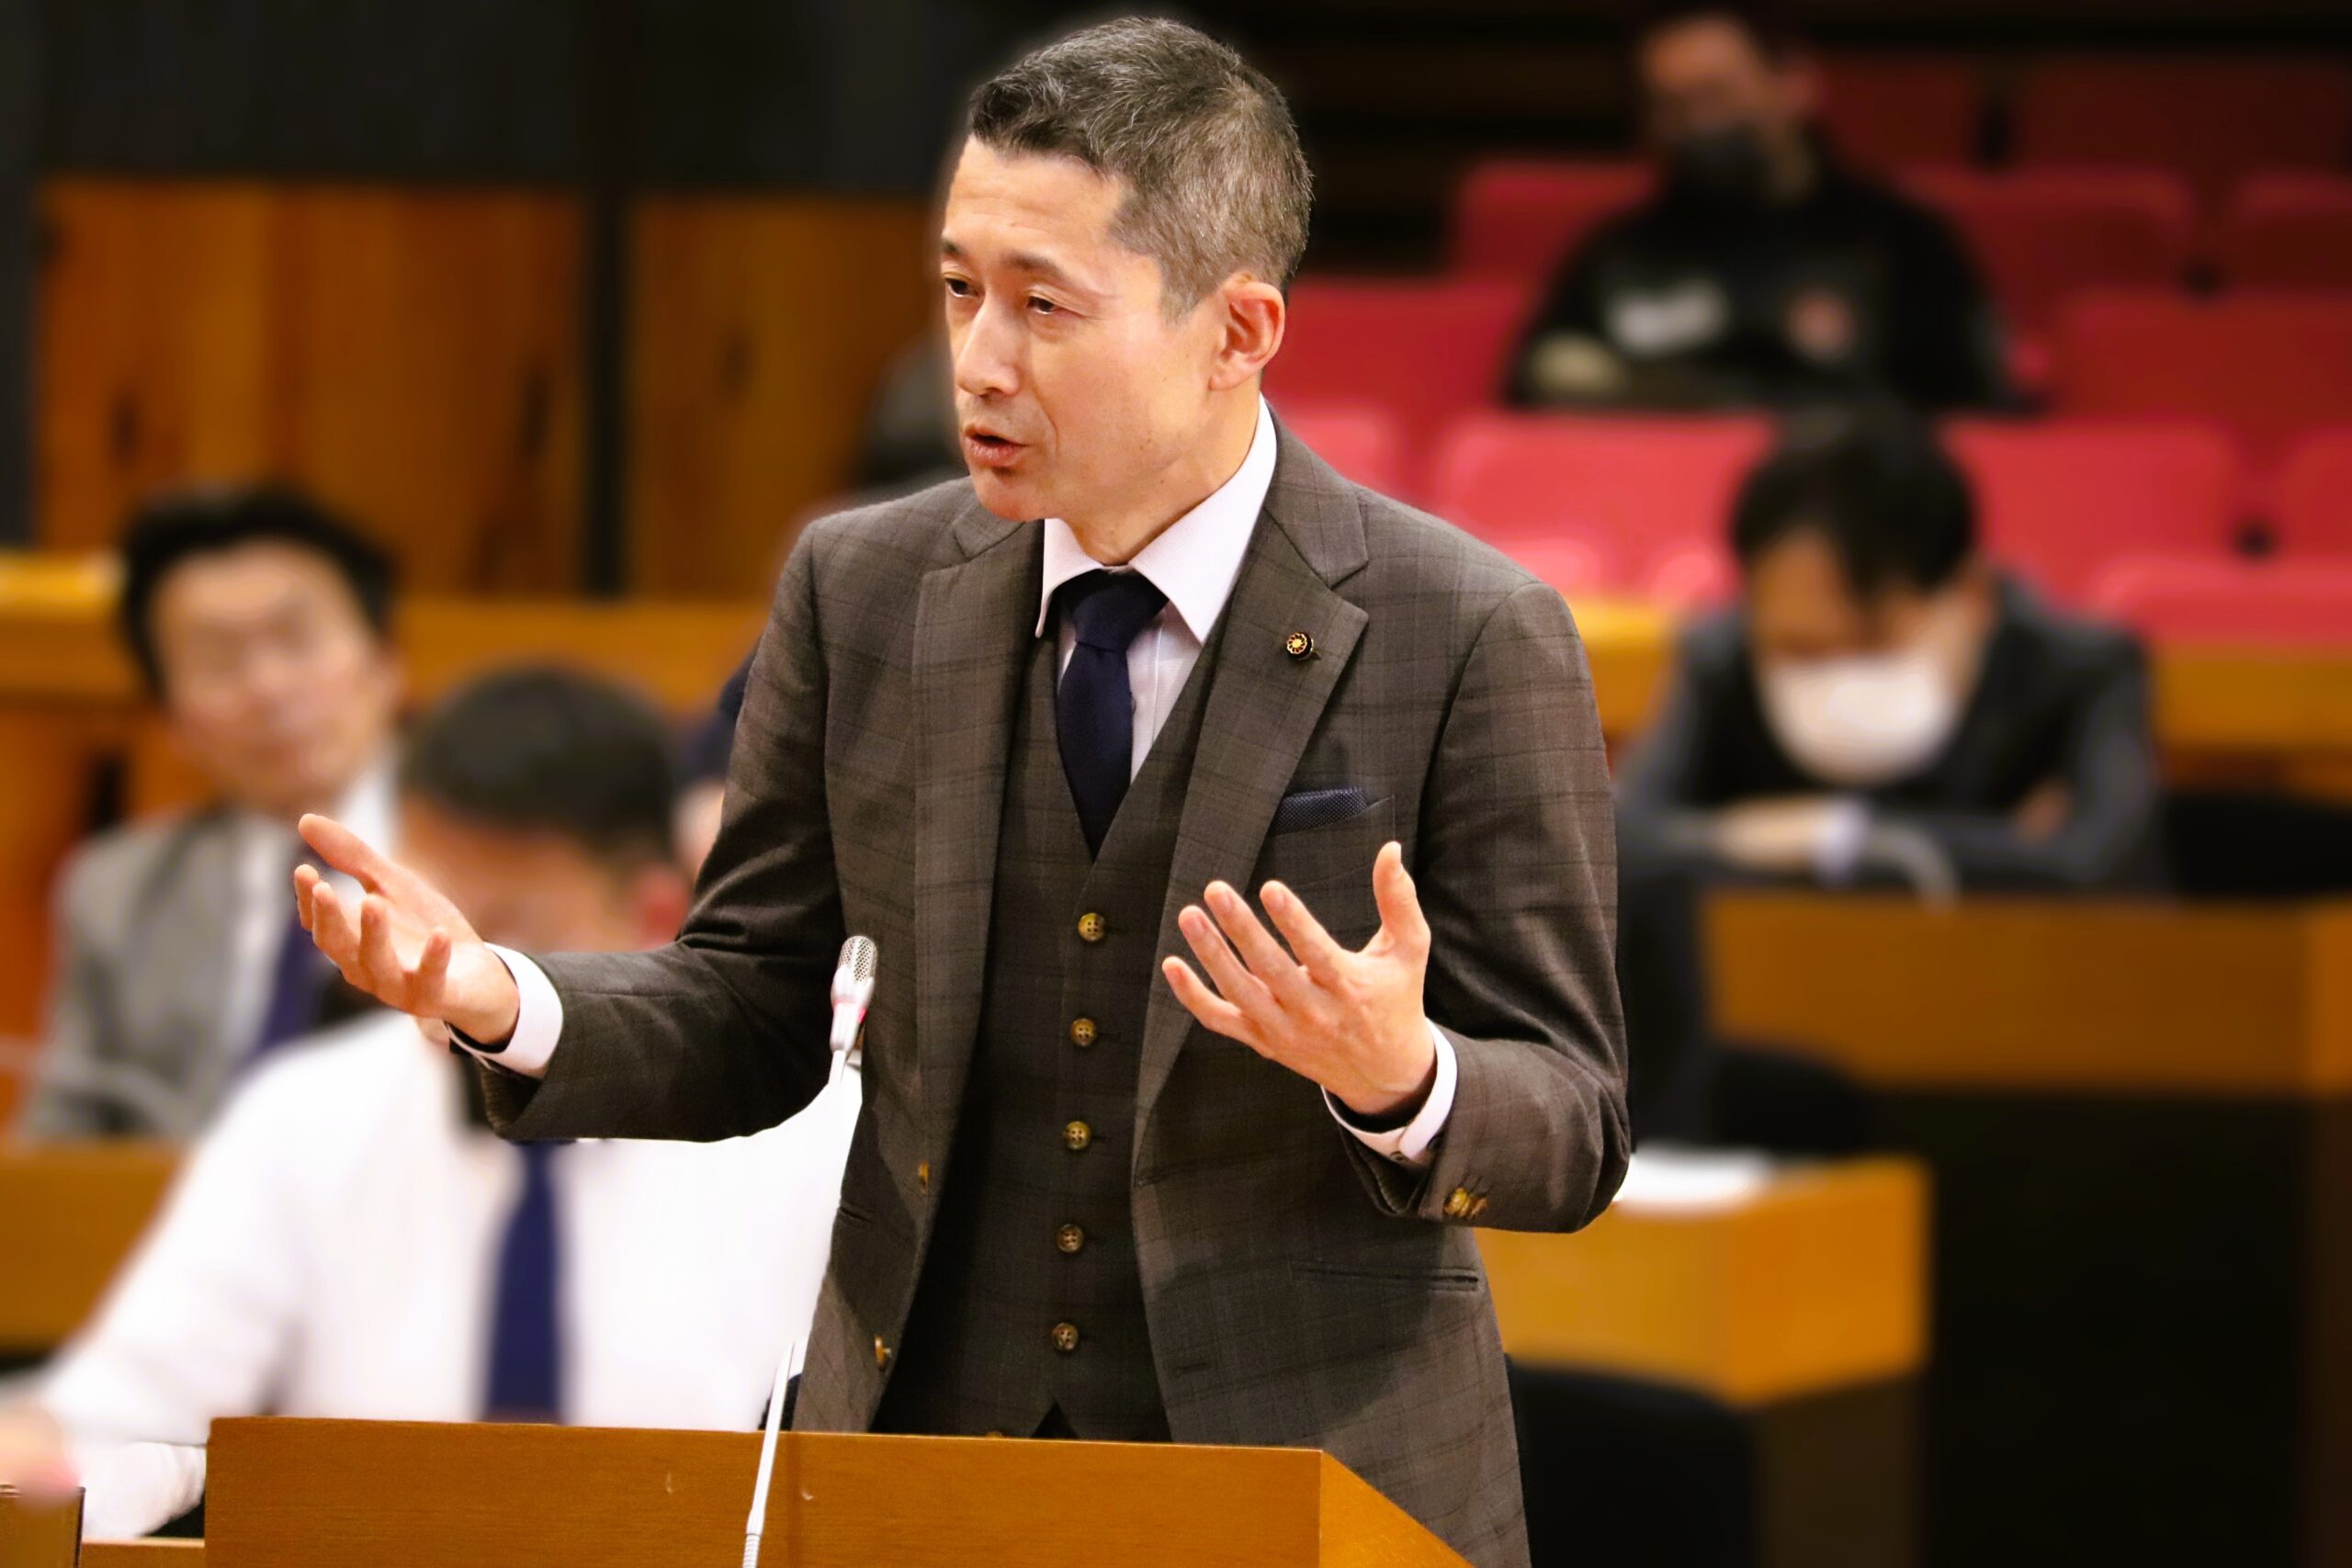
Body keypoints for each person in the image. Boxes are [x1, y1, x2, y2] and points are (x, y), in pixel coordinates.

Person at [286, 20, 1628, 1568]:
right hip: (920, 1455)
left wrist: (1405, 1076)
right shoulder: (860, 586)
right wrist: (504, 996)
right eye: (958, 288)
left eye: (1044, 305)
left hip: (1313, 1477)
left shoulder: (1468, 627)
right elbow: (753, 1001)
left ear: (1238, 330)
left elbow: (1576, 1119)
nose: (979, 361)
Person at [0, 669, 857, 1540]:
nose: (435, 980)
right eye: (416, 921)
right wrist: (46, 1459)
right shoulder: (306, 1116)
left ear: (655, 911)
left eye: (501, 931)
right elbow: (120, 1419)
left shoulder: (812, 1133)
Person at [1616, 407, 2162, 893]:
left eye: (1871, 642)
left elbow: (2096, 866)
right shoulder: (1719, 660)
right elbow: (1622, 844)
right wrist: (2005, 845)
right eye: (1797, 648)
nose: (1833, 671)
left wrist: (1821, 838)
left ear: (1970, 594)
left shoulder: (2081, 670)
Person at [17, 487, 404, 1140]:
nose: (268, 688)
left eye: (298, 639)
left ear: (386, 661)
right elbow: (61, 1142)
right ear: (171, 719)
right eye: (219, 661)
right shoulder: (117, 890)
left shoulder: (495, 847)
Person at [1505, 1, 2010, 412]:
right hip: (1653, 495)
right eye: (1672, 105)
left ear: (1795, 85)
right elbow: (1533, 390)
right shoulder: (1615, 257)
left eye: (1715, 95)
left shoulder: (1901, 243)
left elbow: (1975, 416)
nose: (1699, 124)